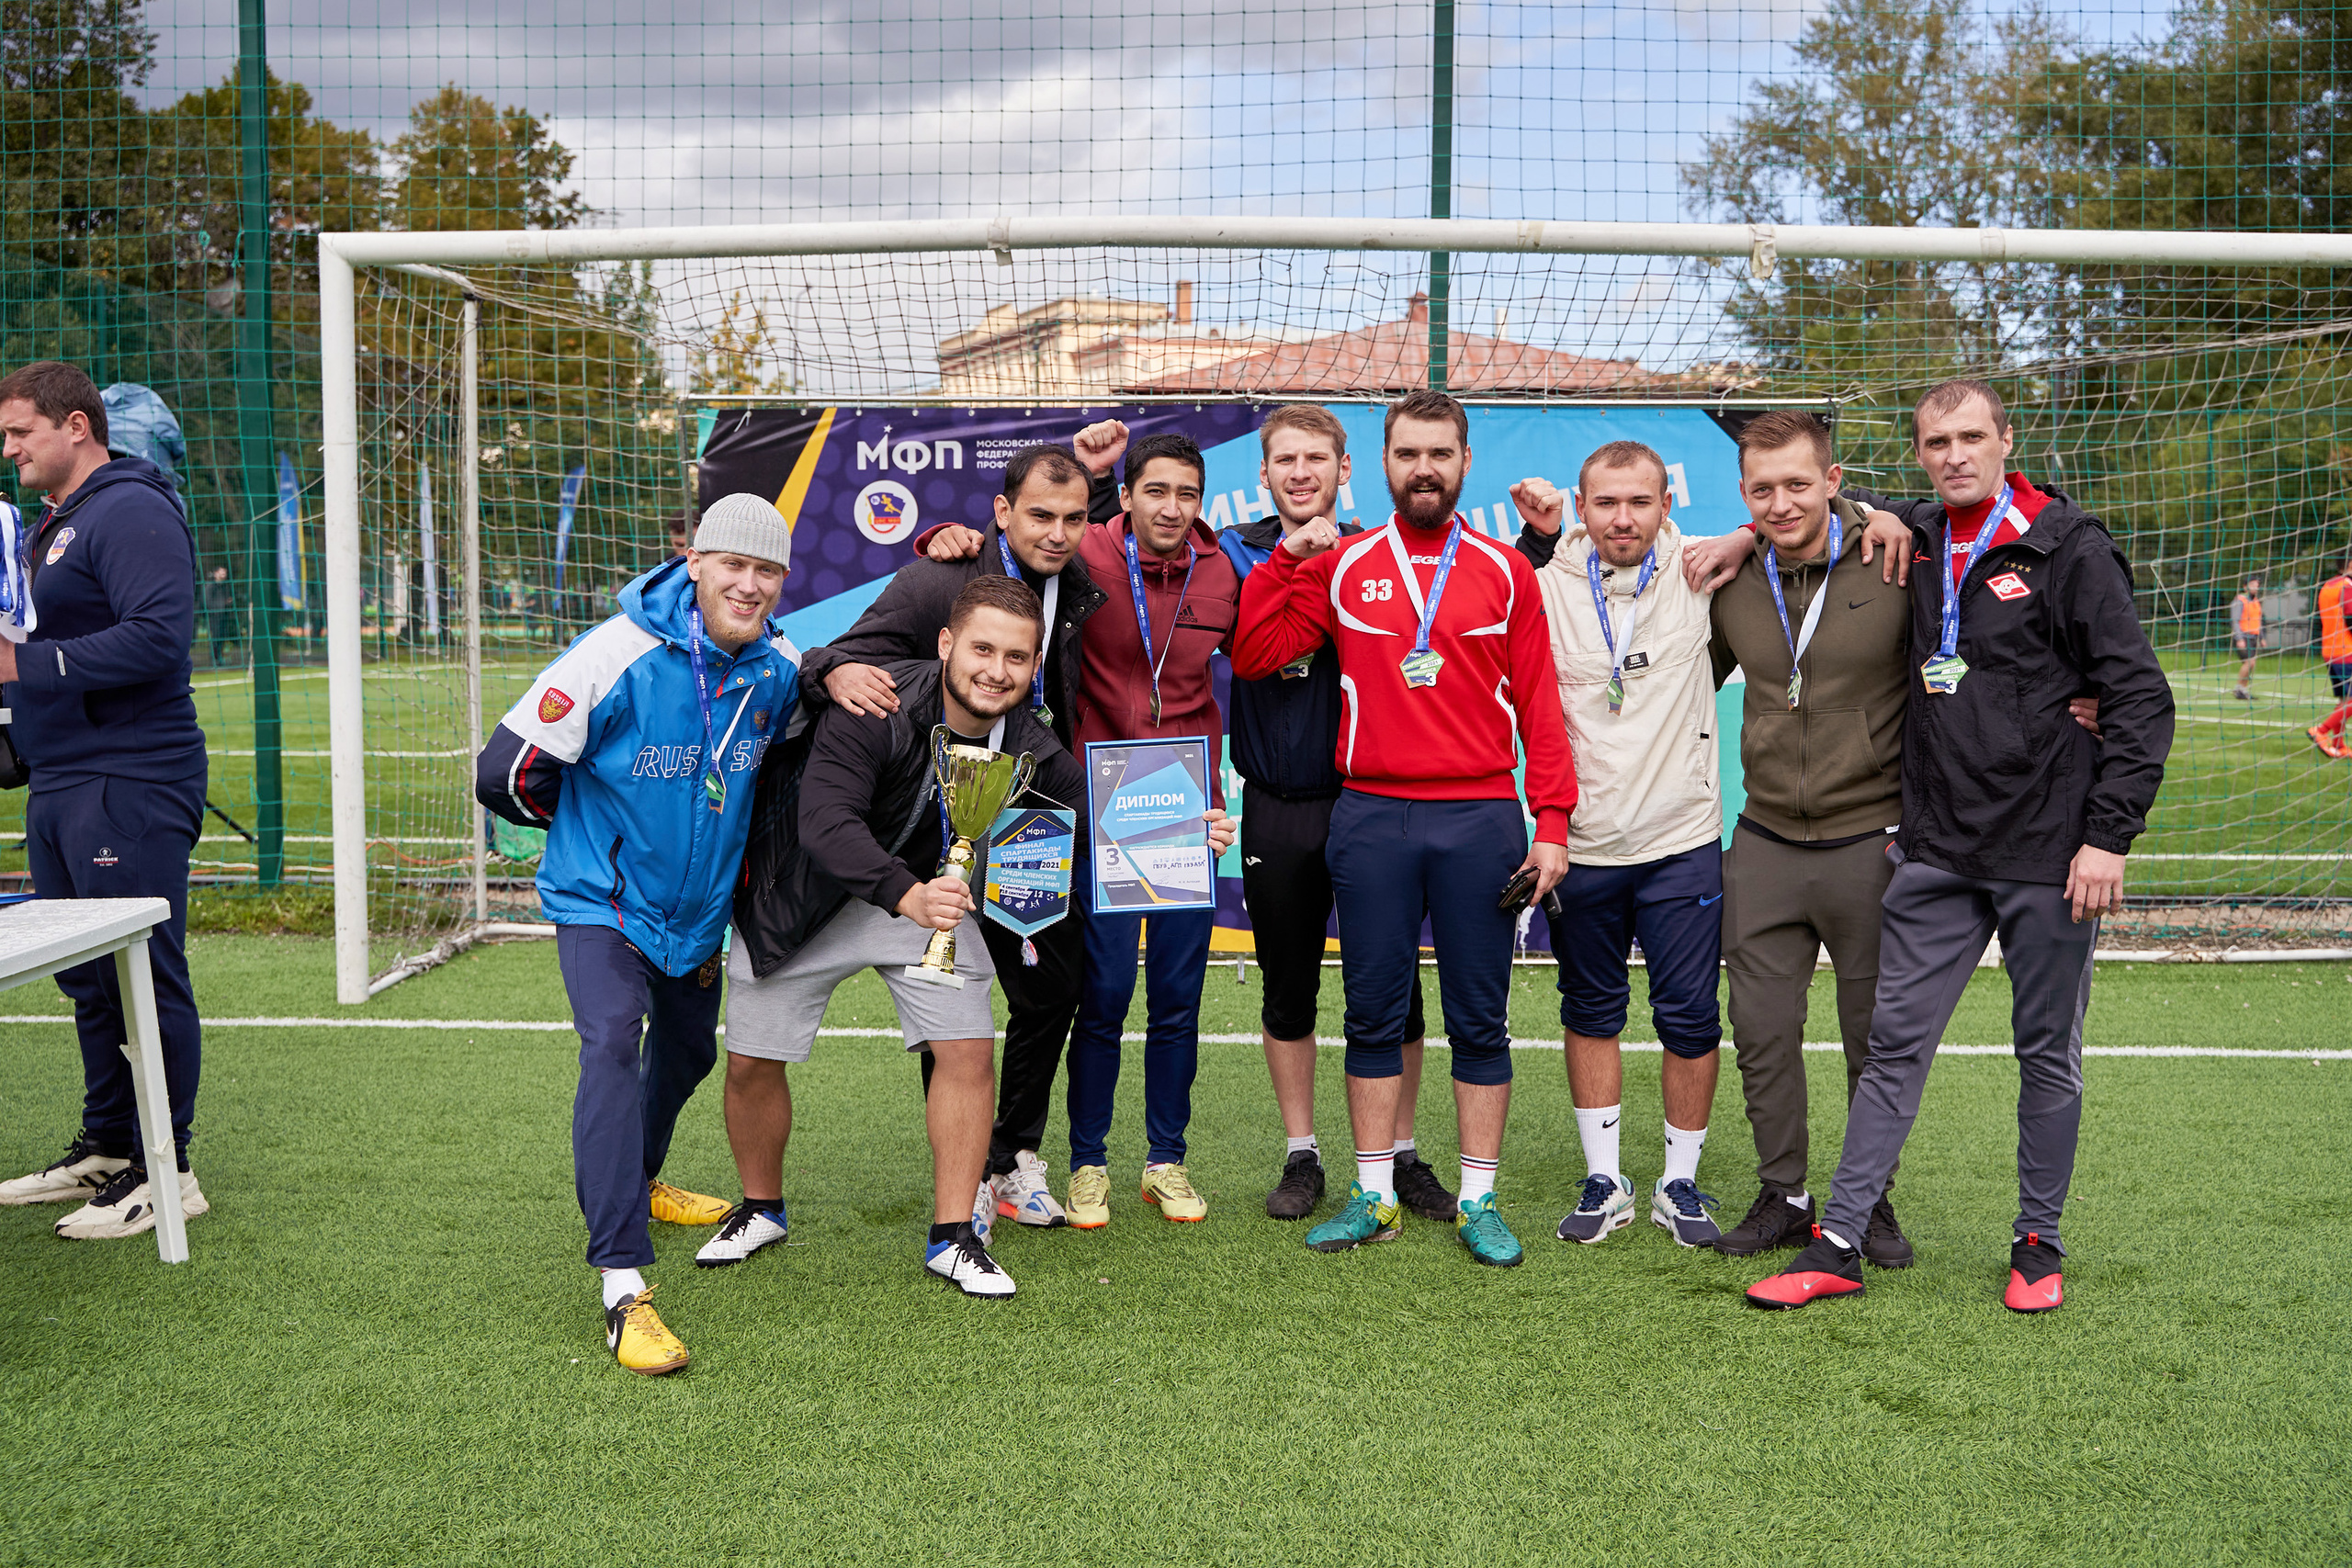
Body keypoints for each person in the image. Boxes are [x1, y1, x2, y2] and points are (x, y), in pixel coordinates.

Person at [1746, 378, 2174, 1314]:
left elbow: (2138, 697)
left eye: (1970, 436)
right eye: (1935, 441)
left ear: (2004, 439)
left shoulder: (2069, 547)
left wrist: (2107, 838)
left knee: (2044, 1053)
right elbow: (1816, 508)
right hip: (1936, 847)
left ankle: (2036, 1242)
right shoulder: (1917, 535)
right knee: (1894, 1049)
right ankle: (1839, 1243)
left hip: (2050, 851)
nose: (1953, 455)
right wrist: (1750, 532)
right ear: (1919, 455)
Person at [1232, 389, 1577, 1268]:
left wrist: (1553, 825)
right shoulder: (1346, 564)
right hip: (1373, 814)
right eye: (1408, 454)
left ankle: (1478, 1197)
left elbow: (1541, 709)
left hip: (1480, 816)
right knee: (1373, 1010)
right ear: (1380, 466)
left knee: (1479, 1019)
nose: (1424, 468)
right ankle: (1375, 1193)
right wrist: (1288, 562)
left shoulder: (1506, 570)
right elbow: (1260, 652)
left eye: (1440, 454)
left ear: (1466, 463)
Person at [475, 492, 800, 1375]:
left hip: (694, 916)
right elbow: (503, 770)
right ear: (694, 561)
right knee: (614, 1042)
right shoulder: (618, 651)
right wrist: (593, 840)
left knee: (691, 1052)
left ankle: (638, 1174)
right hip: (603, 901)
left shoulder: (778, 669)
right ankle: (622, 1285)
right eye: (731, 563)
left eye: (766, 569)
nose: (748, 582)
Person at [807, 444, 1106, 1227]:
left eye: (1075, 518)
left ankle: (1011, 1156)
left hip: (1032, 810)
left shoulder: (1073, 582)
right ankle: (966, 1176)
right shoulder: (939, 577)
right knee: (946, 987)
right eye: (1040, 514)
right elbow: (841, 655)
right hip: (939, 824)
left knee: (1051, 983)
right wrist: (830, 672)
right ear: (1002, 513)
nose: (1058, 532)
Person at [1213, 405, 1449, 1224]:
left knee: (1397, 993)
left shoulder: (1381, 556)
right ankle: (1302, 1153)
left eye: (1318, 457)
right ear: (1265, 473)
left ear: (1346, 470)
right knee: (1287, 990)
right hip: (1277, 806)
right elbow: (1133, 557)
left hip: (1372, 801)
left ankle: (1405, 1151)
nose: (1302, 471)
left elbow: (1456, 612)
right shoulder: (1230, 553)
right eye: (1286, 459)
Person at [0, 360, 210, 1243]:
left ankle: (169, 1170)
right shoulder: (58, 523)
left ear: (76, 426)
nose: (8, 448)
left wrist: (23, 666)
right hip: (63, 780)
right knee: (87, 976)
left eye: (21, 432)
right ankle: (109, 1144)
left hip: (130, 779)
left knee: (144, 975)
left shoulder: (129, 508)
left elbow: (160, 636)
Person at [1510, 443, 1738, 1250]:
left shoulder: (1706, 567)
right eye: (1606, 502)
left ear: (1666, 503)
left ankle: (1680, 1181)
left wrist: (1744, 538)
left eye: (1640, 502)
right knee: (1592, 1009)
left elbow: (1797, 527)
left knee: (1689, 1014)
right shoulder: (1542, 585)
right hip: (1586, 845)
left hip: (1681, 839)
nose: (1623, 518)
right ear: (1581, 505)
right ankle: (1605, 1177)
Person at [1051, 426, 1242, 1227]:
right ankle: (1087, 1162)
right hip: (1100, 805)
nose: (1171, 507)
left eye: (1187, 493)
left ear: (1202, 502)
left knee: (1177, 998)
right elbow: (1007, 549)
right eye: (1155, 490)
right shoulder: (1085, 551)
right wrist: (943, 532)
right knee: (1100, 996)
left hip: (1184, 814)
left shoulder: (1223, 568)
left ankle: (1166, 1160)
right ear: (1124, 495)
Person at [2307, 549, 2352, 759]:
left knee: (2345, 700)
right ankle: (2321, 730)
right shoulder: (2347, 586)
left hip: (2331, 650)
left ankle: (2339, 745)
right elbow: (2350, 617)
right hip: (2347, 650)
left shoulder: (2328, 585)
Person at [2233, 575, 2264, 700]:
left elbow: (2258, 621)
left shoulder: (2256, 601)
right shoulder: (2240, 600)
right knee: (2249, 662)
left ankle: (2243, 689)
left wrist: (2262, 638)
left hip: (2254, 636)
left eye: (2257, 585)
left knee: (2252, 663)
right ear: (2245, 587)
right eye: (2253, 584)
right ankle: (2238, 688)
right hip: (2244, 636)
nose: (2256, 587)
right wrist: (2239, 638)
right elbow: (2235, 620)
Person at [202, 565, 239, 668]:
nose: (224, 575)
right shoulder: (210, 586)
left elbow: (230, 600)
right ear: (215, 573)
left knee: (222, 638)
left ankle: (219, 658)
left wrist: (228, 603)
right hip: (214, 617)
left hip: (224, 616)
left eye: (225, 573)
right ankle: (214, 659)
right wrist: (223, 604)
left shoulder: (226, 586)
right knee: (215, 638)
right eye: (222, 572)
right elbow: (207, 602)